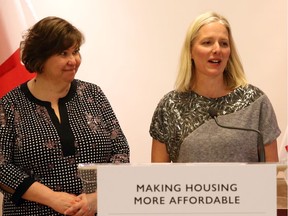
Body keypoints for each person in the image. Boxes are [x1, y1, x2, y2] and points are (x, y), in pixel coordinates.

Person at [0, 16, 130, 215]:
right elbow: (2, 168)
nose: (73, 60)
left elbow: (120, 150)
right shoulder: (10, 104)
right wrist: (53, 198)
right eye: (63, 53)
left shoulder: (93, 94)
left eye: (76, 51)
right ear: (40, 57)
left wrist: (98, 197)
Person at [149, 11, 280, 163]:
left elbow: (272, 176)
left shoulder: (256, 102)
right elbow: (158, 179)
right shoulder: (170, 106)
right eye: (207, 42)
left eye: (224, 43)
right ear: (191, 51)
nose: (217, 49)